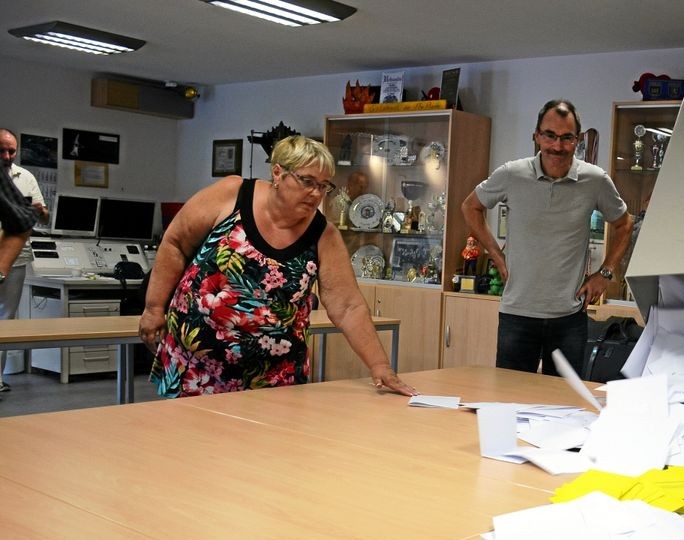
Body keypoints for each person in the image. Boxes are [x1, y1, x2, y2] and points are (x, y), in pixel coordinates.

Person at [139, 135, 417, 397]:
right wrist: (153, 308)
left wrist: (380, 366)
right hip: (196, 365)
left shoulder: (323, 234)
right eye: (307, 181)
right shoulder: (231, 194)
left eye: (323, 185)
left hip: (274, 375)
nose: (316, 193)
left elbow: (347, 305)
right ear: (277, 173)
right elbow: (175, 243)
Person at [462, 99, 633, 376]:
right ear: (537, 136)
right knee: (511, 400)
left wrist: (606, 273)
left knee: (565, 404)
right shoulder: (512, 174)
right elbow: (470, 206)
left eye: (567, 138)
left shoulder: (596, 180)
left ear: (576, 140)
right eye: (550, 135)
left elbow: (624, 224)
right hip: (517, 314)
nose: (557, 146)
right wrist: (495, 254)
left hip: (569, 318)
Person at [0, 128, 50, 397]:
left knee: (5, 319)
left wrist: (39, 213)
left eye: (12, 150)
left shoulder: (25, 177)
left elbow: (36, 218)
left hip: (15, 259)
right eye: (2, 151)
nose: (8, 156)